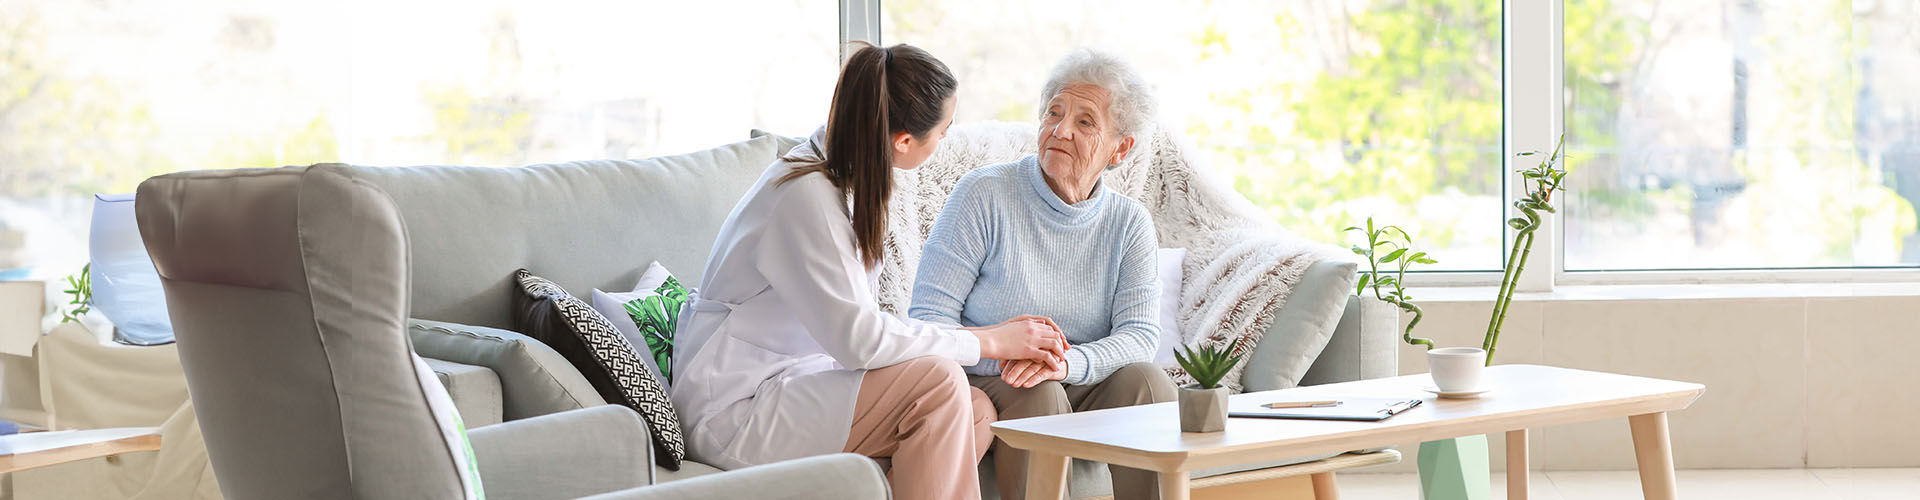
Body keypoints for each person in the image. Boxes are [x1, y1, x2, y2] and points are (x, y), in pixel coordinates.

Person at [670, 43, 1067, 500]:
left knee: (975, 410)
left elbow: (859, 331)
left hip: (792, 382)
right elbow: (860, 341)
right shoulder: (806, 198)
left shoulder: (843, 179)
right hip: (735, 410)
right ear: (902, 141)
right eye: (944, 131)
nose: (945, 143)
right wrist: (989, 340)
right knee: (938, 384)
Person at [909, 48, 1177, 500]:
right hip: (994, 381)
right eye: (1054, 112)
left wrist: (1065, 363)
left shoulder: (1128, 222)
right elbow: (928, 318)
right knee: (1040, 396)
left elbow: (1138, 336)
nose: (1060, 130)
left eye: (1085, 122)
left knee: (1148, 383)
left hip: (1080, 376)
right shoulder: (983, 194)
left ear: (1121, 148)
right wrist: (1012, 357)